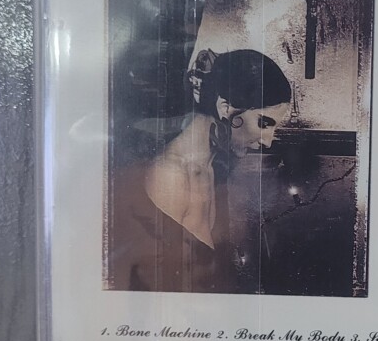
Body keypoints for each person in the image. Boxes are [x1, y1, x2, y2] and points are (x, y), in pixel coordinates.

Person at [107, 49, 292, 292]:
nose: (267, 141)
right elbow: (166, 288)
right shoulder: (171, 175)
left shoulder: (211, 168)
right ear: (225, 108)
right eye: (263, 123)